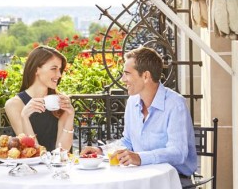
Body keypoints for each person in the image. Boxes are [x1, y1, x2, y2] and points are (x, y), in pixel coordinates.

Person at [80, 46, 197, 187]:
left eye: (127, 73)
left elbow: (178, 153)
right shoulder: (133, 101)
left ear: (146, 76)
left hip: (174, 179)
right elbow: (128, 141)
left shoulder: (175, 104)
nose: (123, 79)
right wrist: (101, 151)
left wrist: (140, 158)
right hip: (141, 176)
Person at [5, 45, 75, 152]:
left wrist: (70, 116)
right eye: (54, 69)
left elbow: (62, 150)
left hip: (57, 166)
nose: (59, 75)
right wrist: (25, 117)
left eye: (60, 69)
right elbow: (32, 151)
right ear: (36, 70)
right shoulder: (14, 105)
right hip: (30, 167)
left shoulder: (60, 101)